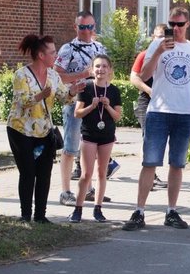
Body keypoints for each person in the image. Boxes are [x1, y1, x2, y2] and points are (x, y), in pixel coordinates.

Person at [122, 7, 190, 231]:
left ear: (188, 24)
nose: (176, 28)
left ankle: (171, 211)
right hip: (159, 112)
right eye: (172, 24)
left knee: (177, 164)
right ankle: (139, 211)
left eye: (180, 24)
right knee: (150, 162)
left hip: (185, 113)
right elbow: (144, 75)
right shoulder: (157, 45)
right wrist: (159, 51)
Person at [7, 34, 85, 223]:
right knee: (28, 172)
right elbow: (22, 101)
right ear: (41, 55)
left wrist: (72, 92)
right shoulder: (21, 75)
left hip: (44, 130)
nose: (56, 56)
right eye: (52, 52)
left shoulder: (53, 75)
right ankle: (25, 214)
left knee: (44, 173)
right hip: (21, 130)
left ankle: (40, 215)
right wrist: (39, 96)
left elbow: (63, 97)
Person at [54, 11, 107, 206]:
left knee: (90, 147)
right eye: (82, 27)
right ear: (75, 27)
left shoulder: (99, 47)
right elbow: (57, 75)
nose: (86, 31)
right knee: (70, 147)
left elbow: (108, 72)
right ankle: (65, 191)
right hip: (74, 102)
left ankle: (88, 189)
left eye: (90, 27)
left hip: (96, 103)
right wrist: (83, 74)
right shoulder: (67, 49)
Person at [69, 55, 122, 223]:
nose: (101, 69)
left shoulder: (114, 91)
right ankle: (78, 209)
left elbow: (117, 116)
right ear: (92, 70)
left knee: (102, 172)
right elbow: (77, 113)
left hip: (107, 136)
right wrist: (92, 106)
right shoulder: (86, 88)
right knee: (86, 174)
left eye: (104, 66)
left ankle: (98, 209)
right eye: (98, 66)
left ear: (110, 70)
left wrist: (107, 106)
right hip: (89, 135)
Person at [130, 23, 168, 191]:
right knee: (148, 136)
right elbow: (134, 78)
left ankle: (152, 174)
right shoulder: (144, 55)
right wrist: (150, 90)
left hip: (164, 103)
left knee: (159, 139)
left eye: (164, 37)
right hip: (147, 100)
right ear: (153, 37)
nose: (160, 40)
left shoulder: (172, 56)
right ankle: (148, 176)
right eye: (158, 37)